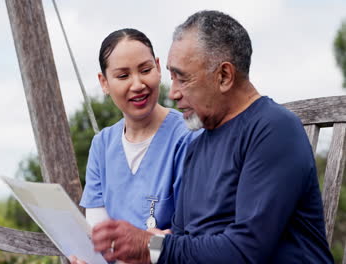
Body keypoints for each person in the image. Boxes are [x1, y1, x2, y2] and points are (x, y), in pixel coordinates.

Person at [86, 10, 334, 264]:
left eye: (182, 78)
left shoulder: (274, 129)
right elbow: (182, 241)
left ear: (224, 76)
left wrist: (151, 246)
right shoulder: (199, 145)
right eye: (172, 77)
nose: (172, 93)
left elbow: (246, 250)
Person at [78, 28, 202, 234]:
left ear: (159, 68)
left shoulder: (189, 137)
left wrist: (145, 246)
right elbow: (98, 232)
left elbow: (194, 232)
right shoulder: (102, 145)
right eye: (123, 75)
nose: (137, 85)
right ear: (104, 82)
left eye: (145, 70)